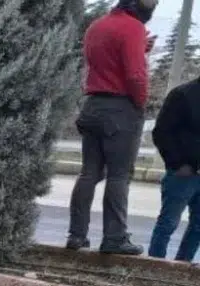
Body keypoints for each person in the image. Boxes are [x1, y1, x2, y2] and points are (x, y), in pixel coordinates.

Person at [67, 0, 157, 256]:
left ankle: (76, 234)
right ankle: (114, 237)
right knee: (119, 175)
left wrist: (141, 49)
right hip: (120, 108)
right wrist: (140, 103)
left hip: (93, 105)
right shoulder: (134, 27)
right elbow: (135, 76)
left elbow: (108, 61)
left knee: (89, 172)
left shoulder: (98, 26)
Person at [147, 77, 200, 263]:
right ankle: (155, 266)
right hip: (183, 174)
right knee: (168, 223)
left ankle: (181, 266)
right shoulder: (183, 94)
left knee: (198, 227)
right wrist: (177, 164)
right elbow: (161, 132)